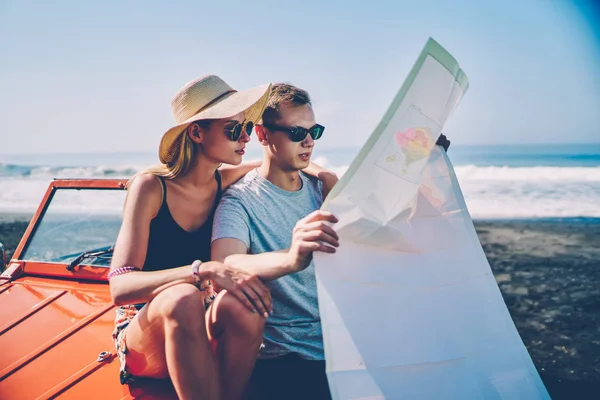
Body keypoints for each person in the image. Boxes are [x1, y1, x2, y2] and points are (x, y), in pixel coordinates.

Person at [211, 83, 452, 399]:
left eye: (315, 131)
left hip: (349, 348)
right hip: (289, 357)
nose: (309, 141)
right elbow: (225, 262)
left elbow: (391, 235)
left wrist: (423, 166)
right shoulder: (241, 200)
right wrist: (291, 257)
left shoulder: (324, 190)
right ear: (263, 135)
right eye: (297, 133)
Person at [108, 74, 276, 400]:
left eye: (246, 127)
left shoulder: (222, 182)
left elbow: (277, 164)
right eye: (232, 129)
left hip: (200, 317)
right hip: (143, 329)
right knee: (183, 296)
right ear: (197, 132)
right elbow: (120, 287)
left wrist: (326, 177)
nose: (245, 137)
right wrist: (203, 270)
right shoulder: (151, 187)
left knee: (248, 305)